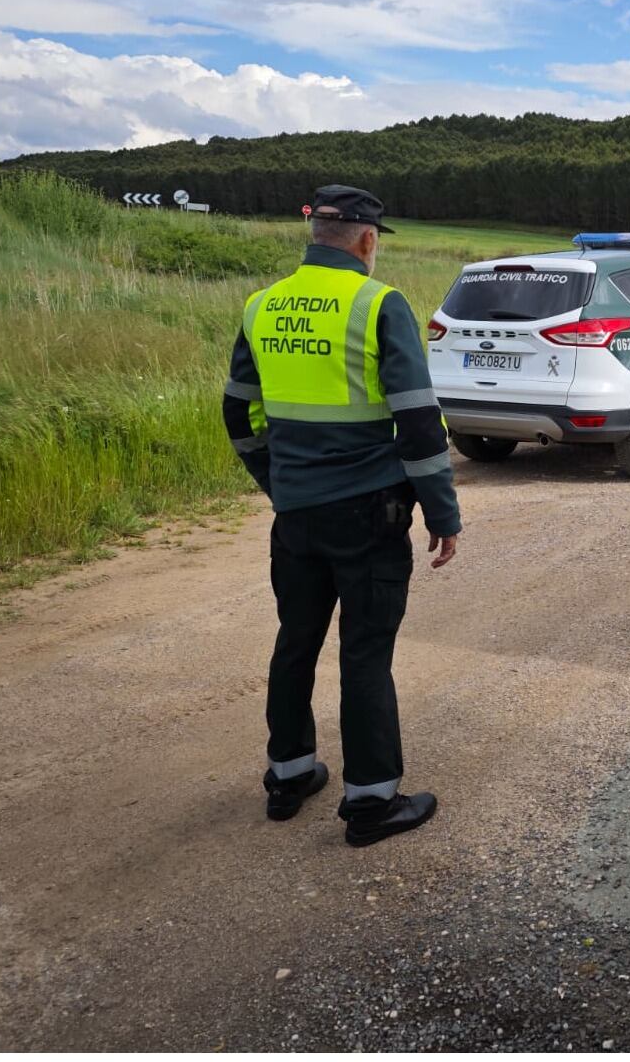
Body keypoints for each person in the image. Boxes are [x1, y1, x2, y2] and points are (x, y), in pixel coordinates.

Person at [221, 184, 461, 848]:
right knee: (365, 653)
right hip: (367, 515)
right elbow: (418, 421)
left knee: (295, 640)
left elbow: (238, 411)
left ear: (315, 236)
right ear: (367, 240)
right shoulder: (379, 304)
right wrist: (442, 511)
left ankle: (289, 775)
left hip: (295, 514)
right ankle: (371, 802)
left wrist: (279, 482)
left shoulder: (262, 305)